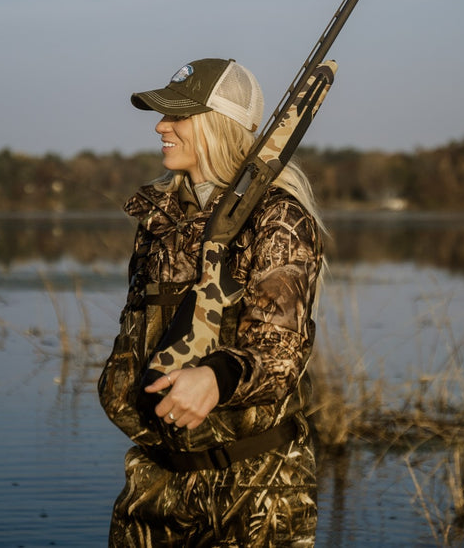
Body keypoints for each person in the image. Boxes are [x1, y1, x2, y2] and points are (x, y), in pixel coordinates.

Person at [98, 58, 325, 547]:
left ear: (218, 125)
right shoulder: (159, 219)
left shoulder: (278, 218)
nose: (161, 126)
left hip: (254, 486)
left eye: (178, 116)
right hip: (155, 480)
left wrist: (216, 376)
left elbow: (280, 354)